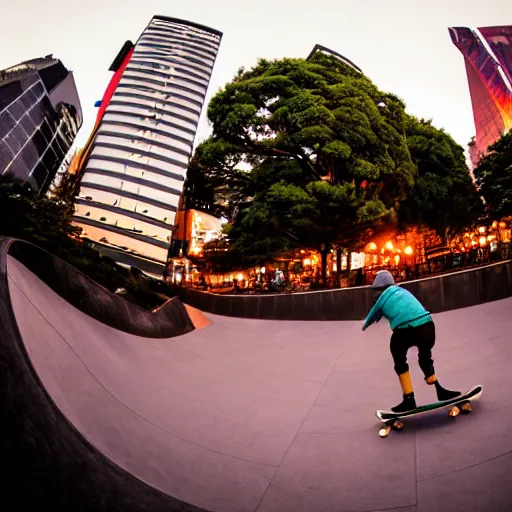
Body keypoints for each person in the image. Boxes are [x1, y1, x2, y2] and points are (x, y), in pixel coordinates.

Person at [362, 270, 460, 412]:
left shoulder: (381, 299)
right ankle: (439, 388)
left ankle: (409, 399)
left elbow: (368, 320)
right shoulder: (403, 291)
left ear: (379, 289)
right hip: (428, 326)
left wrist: (363, 327)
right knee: (425, 356)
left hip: (406, 330)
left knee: (398, 354)